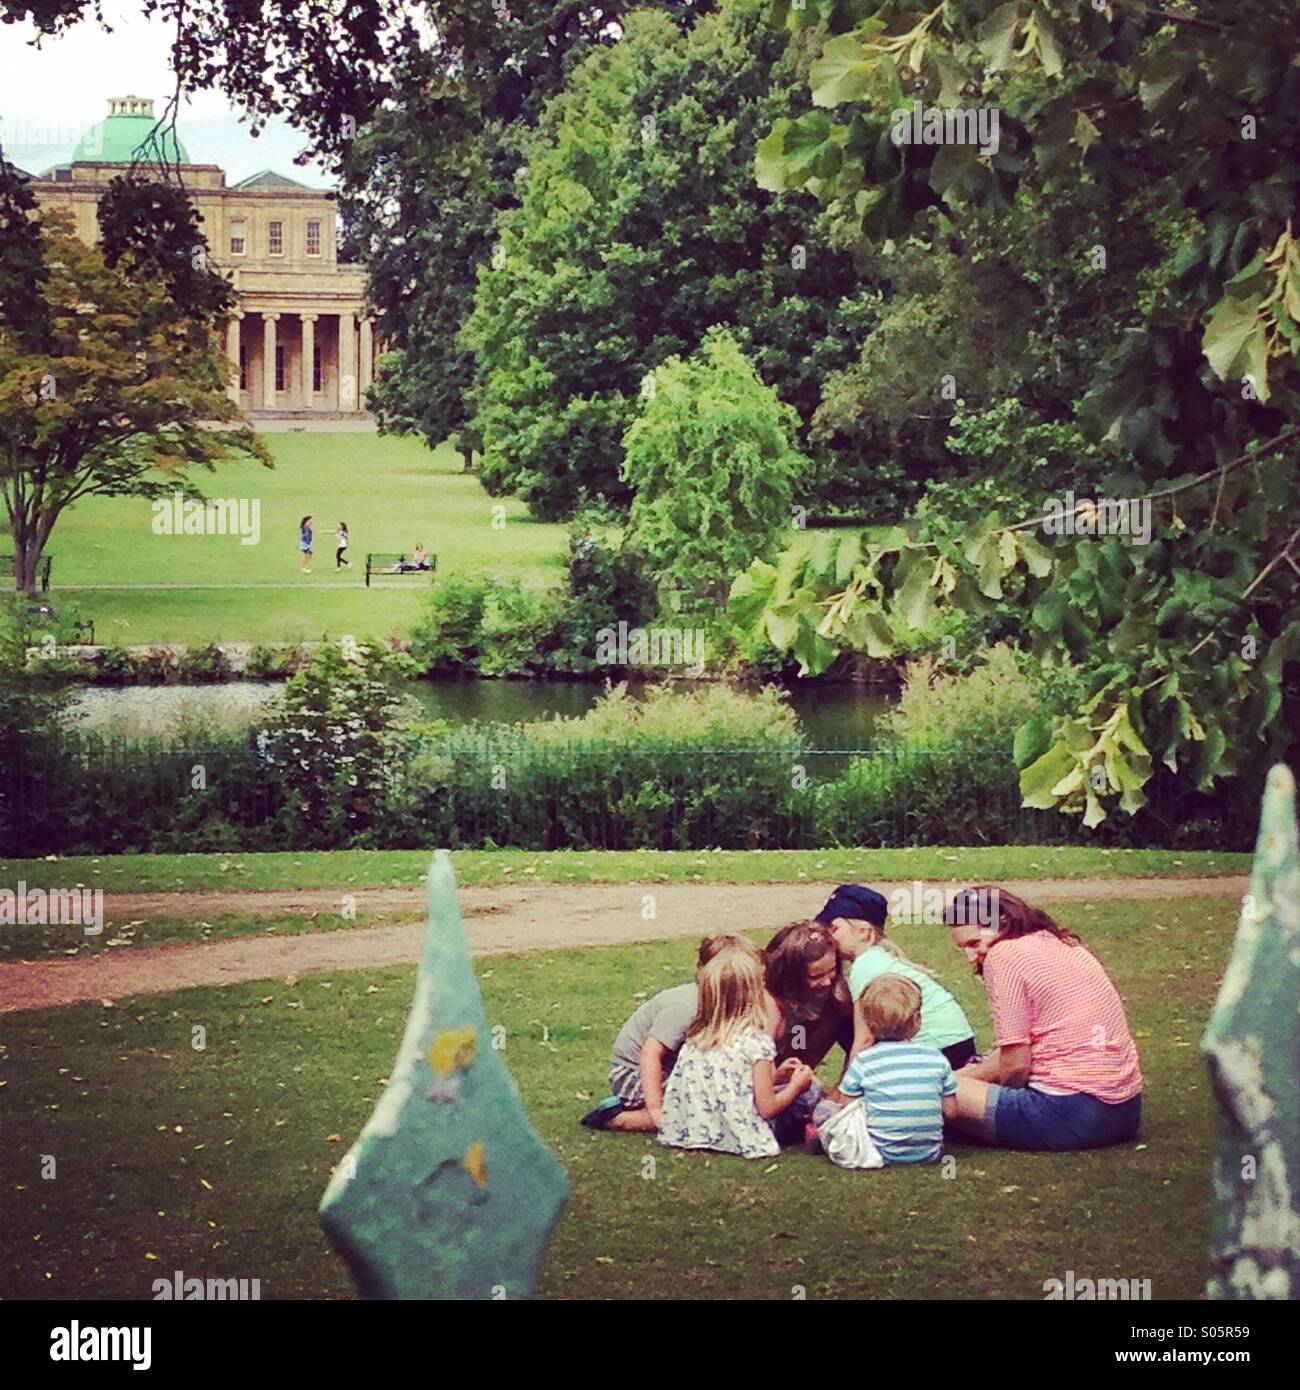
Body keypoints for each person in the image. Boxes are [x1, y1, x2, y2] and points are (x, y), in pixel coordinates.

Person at [943, 886, 1143, 1151]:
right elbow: (1029, 1045)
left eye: (974, 943)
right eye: (963, 948)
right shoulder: (1063, 944)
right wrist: (971, 1075)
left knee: (931, 1087)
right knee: (963, 1075)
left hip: (1067, 1114)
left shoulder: (1003, 957)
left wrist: (994, 1092)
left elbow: (1015, 1062)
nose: (970, 957)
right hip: (1125, 1112)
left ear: (1000, 923)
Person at [581, 934, 761, 1132]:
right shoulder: (685, 1007)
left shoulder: (724, 1004)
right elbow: (650, 1054)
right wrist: (657, 1111)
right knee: (705, 1112)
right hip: (632, 1074)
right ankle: (619, 1118)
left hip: (673, 1071)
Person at [658, 944, 815, 1160]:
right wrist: (797, 1085)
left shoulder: (695, 1043)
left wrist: (778, 1076)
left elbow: (732, 1083)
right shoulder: (756, 1044)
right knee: (811, 1092)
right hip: (744, 1133)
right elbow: (767, 1108)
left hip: (698, 1132)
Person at [817, 883, 977, 1069]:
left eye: (834, 929)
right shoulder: (879, 957)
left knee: (845, 1025)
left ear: (863, 932)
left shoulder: (865, 966)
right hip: (958, 1043)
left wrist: (844, 1093)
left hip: (939, 1048)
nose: (828, 937)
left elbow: (864, 1039)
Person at [820, 974, 959, 1165]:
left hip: (881, 1150)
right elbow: (951, 1112)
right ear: (916, 1020)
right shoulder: (936, 1058)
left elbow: (847, 1105)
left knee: (826, 1110)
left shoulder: (864, 1061)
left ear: (868, 1024)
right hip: (930, 1151)